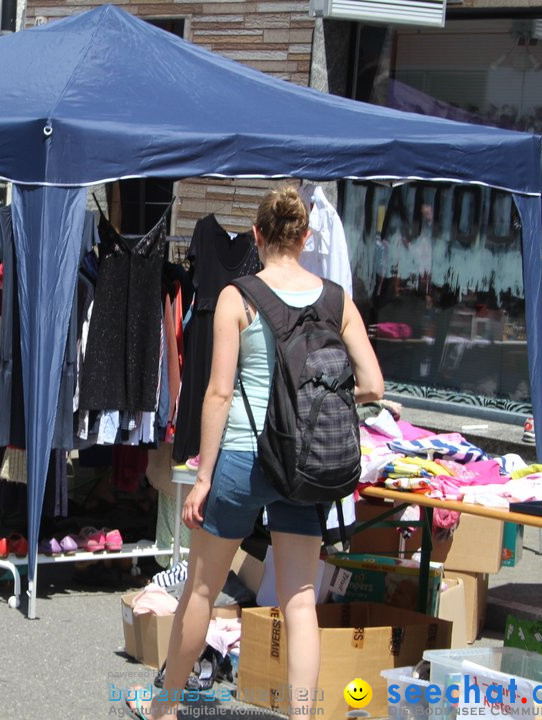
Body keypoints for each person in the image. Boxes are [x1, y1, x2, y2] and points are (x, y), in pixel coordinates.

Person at [125, 187, 383, 720]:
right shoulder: (337, 300)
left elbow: (218, 393)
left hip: (242, 456)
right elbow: (373, 385)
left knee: (201, 589)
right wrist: (318, 403)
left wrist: (202, 478)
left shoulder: (236, 296)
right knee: (299, 599)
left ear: (258, 236)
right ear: (306, 238)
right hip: (304, 461)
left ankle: (165, 708)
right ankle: (302, 715)